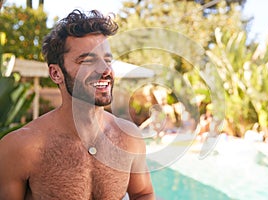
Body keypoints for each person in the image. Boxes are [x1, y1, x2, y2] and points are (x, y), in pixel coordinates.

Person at [0, 9, 155, 199]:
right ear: (56, 73)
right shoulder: (20, 147)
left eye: (107, 60)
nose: (105, 70)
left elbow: (142, 193)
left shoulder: (129, 137)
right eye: (88, 61)